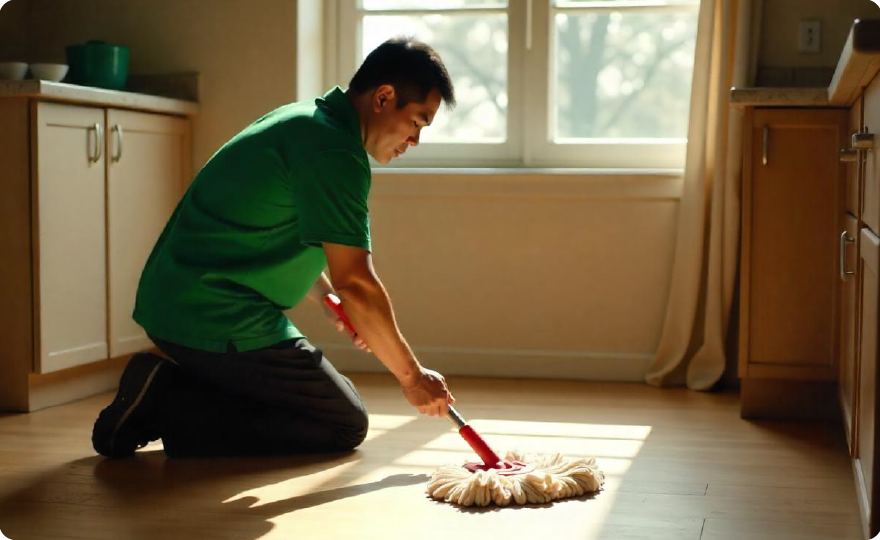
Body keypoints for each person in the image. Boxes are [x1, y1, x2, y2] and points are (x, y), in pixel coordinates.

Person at [91, 37, 457, 458]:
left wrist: (326, 295)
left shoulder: (309, 121)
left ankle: (160, 386)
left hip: (183, 300)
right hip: (212, 311)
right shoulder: (335, 151)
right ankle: (166, 400)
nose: (414, 142)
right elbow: (357, 280)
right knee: (342, 423)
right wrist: (412, 378)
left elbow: (279, 232)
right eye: (416, 123)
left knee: (318, 404)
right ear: (384, 97)